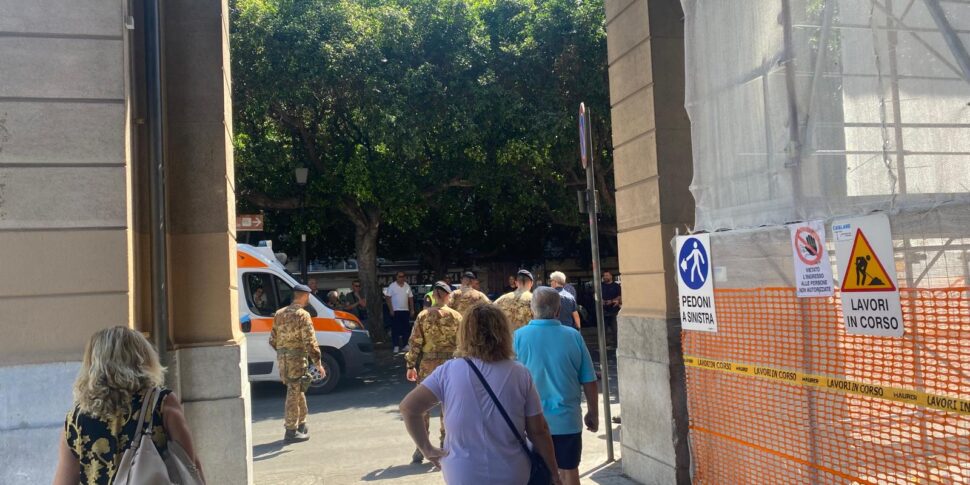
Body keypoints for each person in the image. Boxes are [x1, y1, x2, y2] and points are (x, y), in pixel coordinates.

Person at [400, 305, 561, 485]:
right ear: (504, 333)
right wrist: (554, 472)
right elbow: (538, 431)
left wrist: (426, 448)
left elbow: (408, 408)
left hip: (462, 473)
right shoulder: (520, 373)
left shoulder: (447, 371)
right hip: (512, 472)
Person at [54, 326, 204, 485]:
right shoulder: (160, 402)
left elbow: (64, 481)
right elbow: (190, 465)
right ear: (141, 357)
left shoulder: (76, 420)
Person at [514, 287, 599, 485]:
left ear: (532, 309)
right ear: (559, 310)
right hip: (567, 421)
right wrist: (593, 412)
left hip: (529, 423)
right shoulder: (573, 337)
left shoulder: (518, 337)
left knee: (534, 474)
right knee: (569, 471)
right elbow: (589, 379)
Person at [404, 281, 462, 464]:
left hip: (428, 363)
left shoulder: (422, 316)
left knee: (423, 406)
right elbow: (463, 344)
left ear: (434, 296)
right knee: (449, 404)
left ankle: (421, 447)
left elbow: (414, 343)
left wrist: (410, 365)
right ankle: (446, 442)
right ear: (447, 295)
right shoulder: (456, 316)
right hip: (450, 363)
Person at [270, 284, 326, 443]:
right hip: (297, 360)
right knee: (293, 393)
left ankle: (301, 424)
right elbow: (310, 342)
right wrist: (317, 362)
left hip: (283, 360)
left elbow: (272, 340)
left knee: (297, 389)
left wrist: (284, 353)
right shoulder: (303, 315)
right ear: (305, 296)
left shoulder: (279, 314)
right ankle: (290, 431)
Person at [385, 272, 415, 353]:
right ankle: (396, 346)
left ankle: (405, 345)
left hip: (405, 310)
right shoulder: (392, 286)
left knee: (406, 329)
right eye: (400, 276)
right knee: (395, 329)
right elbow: (387, 298)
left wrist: (412, 309)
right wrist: (391, 309)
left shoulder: (407, 286)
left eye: (403, 276)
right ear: (396, 277)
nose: (401, 278)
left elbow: (411, 298)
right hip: (396, 310)